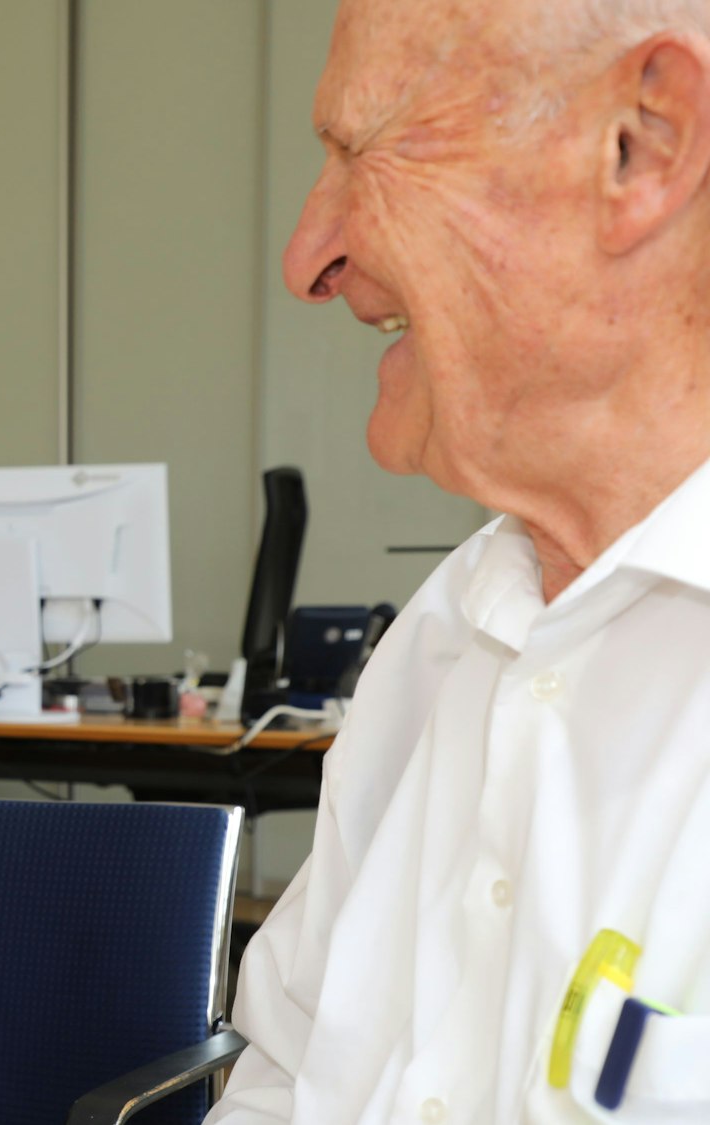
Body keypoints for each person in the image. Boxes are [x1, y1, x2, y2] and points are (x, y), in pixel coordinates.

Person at [210, 1, 710, 1121]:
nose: (307, 259)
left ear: (641, 144)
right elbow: (279, 1080)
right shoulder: (445, 639)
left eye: (360, 151)